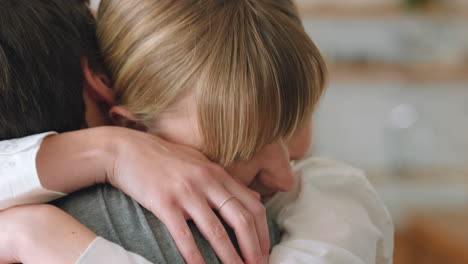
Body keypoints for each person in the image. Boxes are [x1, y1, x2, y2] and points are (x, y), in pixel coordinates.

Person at [0, 0, 394, 263]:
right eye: (238, 150)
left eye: (296, 121)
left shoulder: (330, 201)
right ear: (129, 123)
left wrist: (33, 234)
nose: (283, 174)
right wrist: (108, 152)